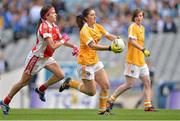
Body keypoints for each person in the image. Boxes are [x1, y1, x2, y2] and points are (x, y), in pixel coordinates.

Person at [0, 4, 79, 115]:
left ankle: (41, 89)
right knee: (23, 82)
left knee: (60, 75)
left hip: (46, 58)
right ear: (47, 16)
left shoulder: (54, 27)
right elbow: (52, 46)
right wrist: (62, 41)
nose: (55, 14)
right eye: (53, 13)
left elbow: (62, 39)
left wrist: (74, 46)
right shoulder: (44, 27)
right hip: (36, 58)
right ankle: (5, 101)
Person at [58, 8, 123, 115]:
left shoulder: (98, 26)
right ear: (86, 18)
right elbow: (92, 46)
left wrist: (118, 39)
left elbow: (108, 35)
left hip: (95, 61)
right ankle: (70, 83)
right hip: (85, 64)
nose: (95, 16)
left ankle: (102, 110)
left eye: (95, 14)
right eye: (92, 15)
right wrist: (110, 48)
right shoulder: (84, 30)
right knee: (91, 92)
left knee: (105, 85)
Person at [107, 8, 156, 112]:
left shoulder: (142, 28)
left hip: (141, 61)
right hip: (132, 60)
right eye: (137, 16)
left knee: (147, 82)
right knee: (129, 85)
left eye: (141, 16)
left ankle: (148, 105)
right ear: (134, 17)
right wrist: (143, 49)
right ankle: (111, 99)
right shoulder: (132, 26)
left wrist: (142, 52)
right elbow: (132, 41)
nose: (139, 17)